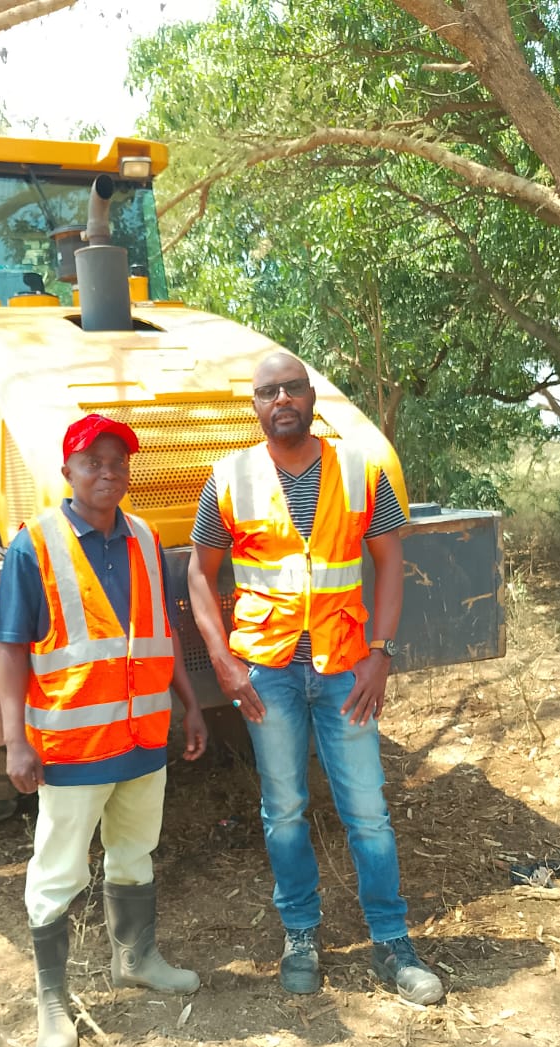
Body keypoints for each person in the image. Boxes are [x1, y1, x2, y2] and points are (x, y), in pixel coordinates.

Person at [187, 352, 444, 1005]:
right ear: (256, 405)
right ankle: (301, 935)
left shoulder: (360, 471)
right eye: (268, 391)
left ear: (311, 396)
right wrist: (222, 658)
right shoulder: (229, 477)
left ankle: (392, 943)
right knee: (286, 812)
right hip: (267, 671)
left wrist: (381, 653)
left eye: (292, 387)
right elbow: (199, 572)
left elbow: (390, 562)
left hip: (344, 669)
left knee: (368, 812)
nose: (282, 399)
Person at [0, 413, 208, 1047]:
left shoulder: (144, 537)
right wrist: (14, 742)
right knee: (57, 873)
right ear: (67, 472)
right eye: (94, 462)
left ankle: (136, 958)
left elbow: (159, 634)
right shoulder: (34, 546)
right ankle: (51, 1000)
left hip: (143, 740)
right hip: (74, 750)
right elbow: (10, 653)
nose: (108, 473)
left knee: (135, 853)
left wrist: (190, 707)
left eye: (119, 462)